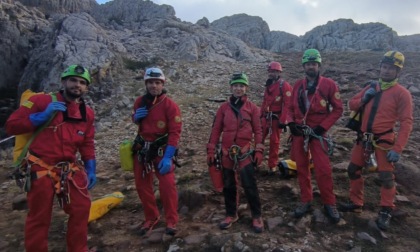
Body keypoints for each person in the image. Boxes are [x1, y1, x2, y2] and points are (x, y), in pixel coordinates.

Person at [5, 65, 96, 252]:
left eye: (82, 82)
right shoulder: (41, 101)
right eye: (73, 80)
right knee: (39, 217)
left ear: (86, 88)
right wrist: (40, 117)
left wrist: (91, 166)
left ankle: (78, 249)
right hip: (41, 167)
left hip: (68, 168)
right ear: (63, 82)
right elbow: (12, 125)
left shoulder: (87, 113)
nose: (77, 85)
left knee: (81, 208)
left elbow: (87, 142)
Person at [339, 51, 413, 230]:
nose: (387, 71)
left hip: (384, 141)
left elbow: (406, 122)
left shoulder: (402, 94)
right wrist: (365, 98)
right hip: (363, 139)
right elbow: (352, 104)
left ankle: (386, 210)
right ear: (380, 67)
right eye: (385, 67)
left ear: (398, 72)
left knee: (386, 177)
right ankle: (356, 203)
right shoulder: (372, 86)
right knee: (353, 170)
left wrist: (398, 148)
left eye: (392, 69)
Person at [287, 49, 343, 223]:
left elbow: (338, 109)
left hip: (318, 133)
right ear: (304, 66)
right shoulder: (297, 85)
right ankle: (306, 200)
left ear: (319, 66)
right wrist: (291, 124)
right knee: (301, 168)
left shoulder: (329, 85)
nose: (311, 67)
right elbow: (289, 107)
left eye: (314, 64)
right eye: (308, 64)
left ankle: (329, 203)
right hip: (300, 133)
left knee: (323, 169)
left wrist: (322, 127)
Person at [207, 72, 265, 233]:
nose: (238, 88)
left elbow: (258, 130)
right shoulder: (223, 108)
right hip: (227, 153)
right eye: (235, 86)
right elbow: (216, 129)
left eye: (241, 86)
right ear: (231, 87)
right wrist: (211, 148)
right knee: (229, 185)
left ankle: (256, 215)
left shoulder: (253, 108)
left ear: (246, 88)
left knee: (249, 184)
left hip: (245, 152)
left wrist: (259, 149)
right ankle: (231, 214)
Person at [132, 67, 182, 236]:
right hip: (142, 150)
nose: (154, 86)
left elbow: (175, 133)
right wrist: (135, 118)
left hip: (162, 151)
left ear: (163, 84)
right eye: (151, 82)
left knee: (167, 186)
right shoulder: (140, 102)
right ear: (146, 84)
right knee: (142, 186)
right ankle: (151, 217)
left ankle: (171, 220)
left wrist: (168, 156)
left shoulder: (170, 106)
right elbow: (136, 120)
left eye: (157, 83)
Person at [260, 61, 292, 175]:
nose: (271, 73)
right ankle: (256, 160)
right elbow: (265, 101)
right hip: (266, 117)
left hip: (276, 117)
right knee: (259, 139)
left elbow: (287, 104)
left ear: (279, 72)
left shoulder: (284, 85)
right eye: (270, 71)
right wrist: (260, 115)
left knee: (275, 141)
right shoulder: (268, 84)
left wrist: (283, 120)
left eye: (274, 71)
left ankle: (272, 165)